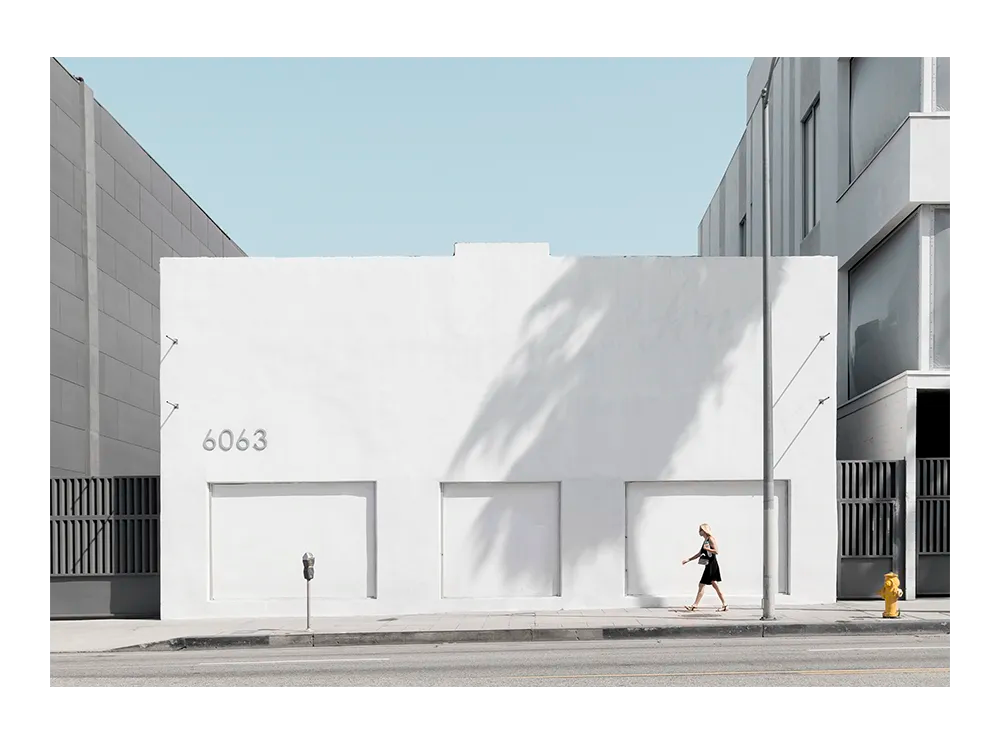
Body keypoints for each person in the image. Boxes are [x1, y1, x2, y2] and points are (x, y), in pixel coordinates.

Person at [681, 523, 727, 612]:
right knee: (713, 585)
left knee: (703, 585)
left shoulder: (711, 539)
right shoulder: (705, 540)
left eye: (700, 530)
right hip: (708, 565)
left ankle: (694, 605)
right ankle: (724, 604)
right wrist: (688, 560)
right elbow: (699, 554)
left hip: (712, 565)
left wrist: (708, 549)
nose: (699, 532)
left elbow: (716, 551)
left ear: (704, 531)